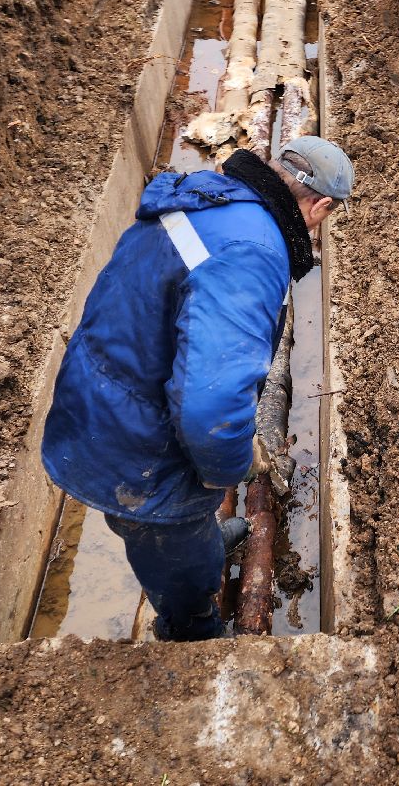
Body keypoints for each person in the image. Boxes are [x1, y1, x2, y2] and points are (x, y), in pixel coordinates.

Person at [41, 136, 354, 641]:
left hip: (98, 391)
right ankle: (190, 629)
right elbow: (211, 409)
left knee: (185, 527)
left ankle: (200, 538)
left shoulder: (212, 197)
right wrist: (228, 468)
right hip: (134, 445)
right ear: (319, 207)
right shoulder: (253, 252)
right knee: (175, 557)